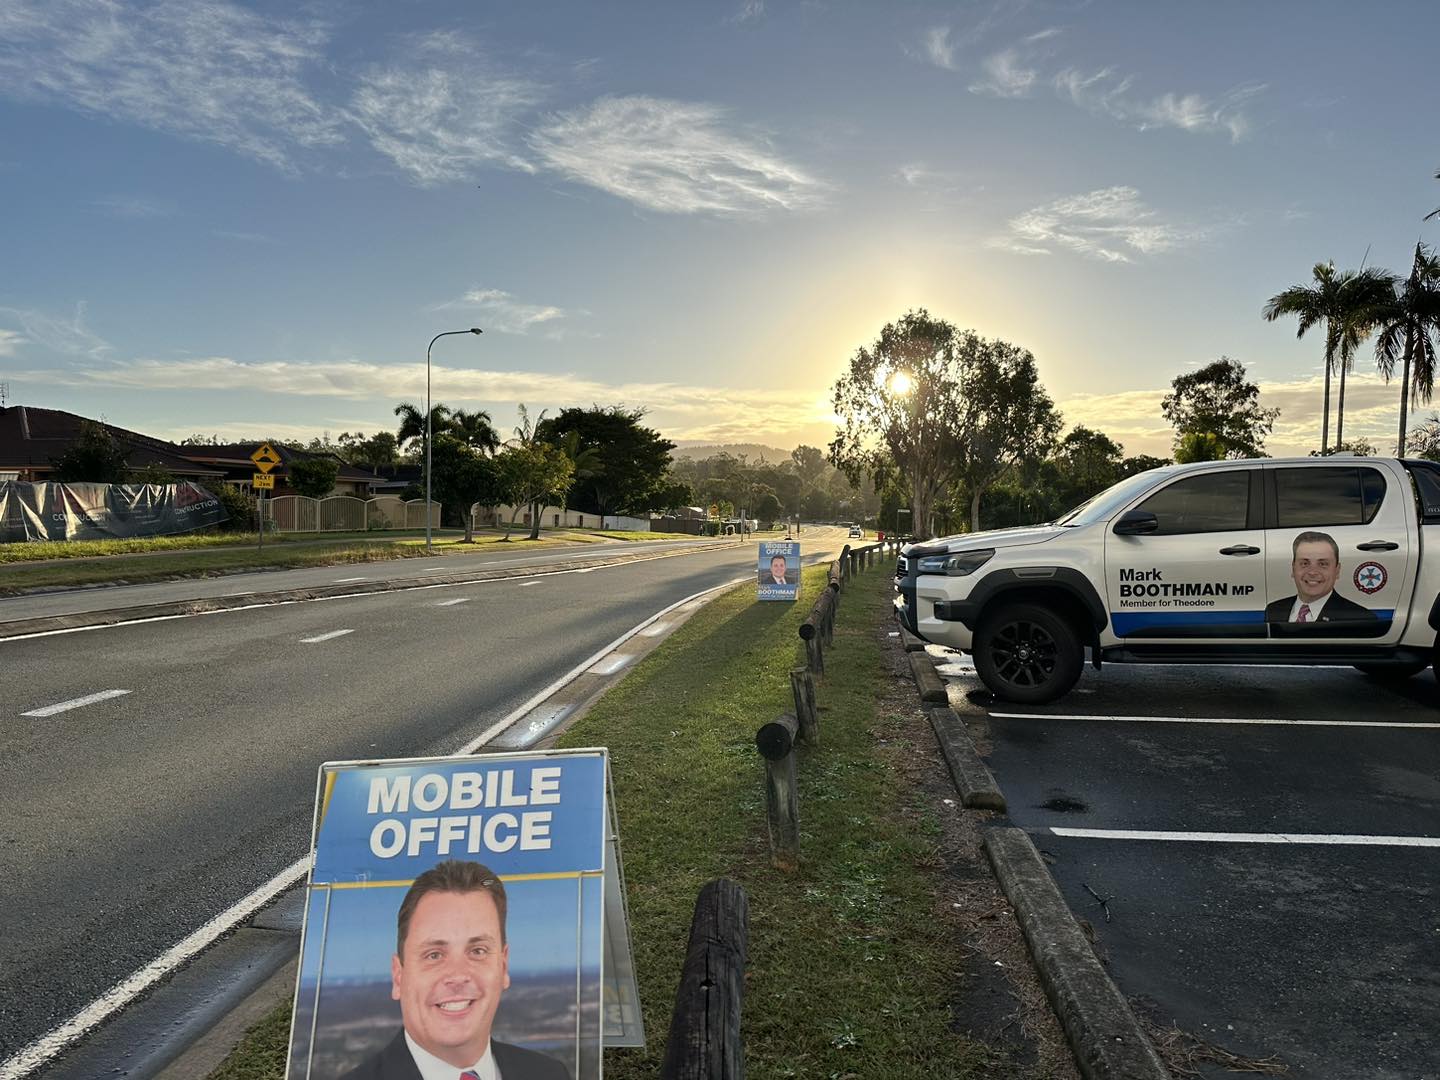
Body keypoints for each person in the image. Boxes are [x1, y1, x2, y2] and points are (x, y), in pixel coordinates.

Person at [341, 860, 569, 1080]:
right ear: (398, 976)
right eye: (434, 955)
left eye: (478, 951)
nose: (458, 975)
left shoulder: (550, 1074)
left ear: (503, 965)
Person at [1264, 531, 1378, 625]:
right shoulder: (1273, 610)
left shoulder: (1360, 618)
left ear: (1337, 571)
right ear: (1293, 569)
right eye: (1304, 563)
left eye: (1323, 564)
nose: (1312, 572)